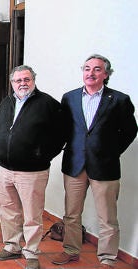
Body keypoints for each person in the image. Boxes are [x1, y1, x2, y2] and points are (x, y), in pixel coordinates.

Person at [51, 54, 137, 268]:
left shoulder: (119, 100)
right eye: (87, 68)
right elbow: (63, 129)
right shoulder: (69, 98)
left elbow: (130, 131)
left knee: (107, 217)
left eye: (97, 69)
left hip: (105, 167)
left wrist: (110, 151)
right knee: (71, 214)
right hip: (75, 165)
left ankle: (107, 258)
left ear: (106, 74)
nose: (91, 73)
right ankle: (71, 250)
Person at [0, 65, 64, 269]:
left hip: (32, 171)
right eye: (18, 80)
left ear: (33, 80)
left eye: (26, 79)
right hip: (6, 168)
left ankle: (31, 252)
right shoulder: (6, 102)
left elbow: (61, 135)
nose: (22, 83)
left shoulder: (47, 103)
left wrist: (42, 154)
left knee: (32, 214)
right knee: (7, 210)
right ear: (11, 83)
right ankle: (12, 246)